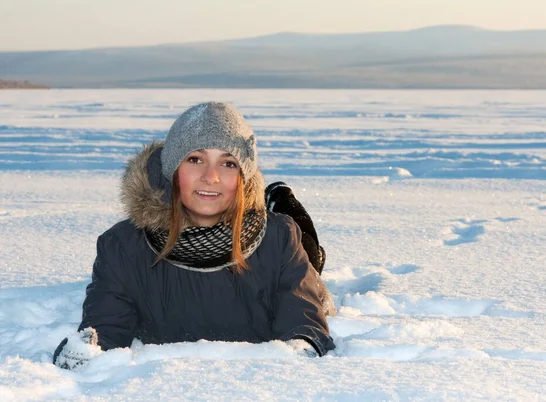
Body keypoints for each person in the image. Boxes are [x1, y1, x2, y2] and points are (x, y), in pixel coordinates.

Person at [53, 102, 336, 371]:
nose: (210, 176)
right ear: (172, 170)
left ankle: (279, 196)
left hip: (285, 238)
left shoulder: (278, 237)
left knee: (308, 250)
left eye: (228, 163)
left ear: (242, 176)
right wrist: (85, 354)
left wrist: (303, 346)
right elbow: (106, 326)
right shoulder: (122, 246)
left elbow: (303, 319)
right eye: (195, 159)